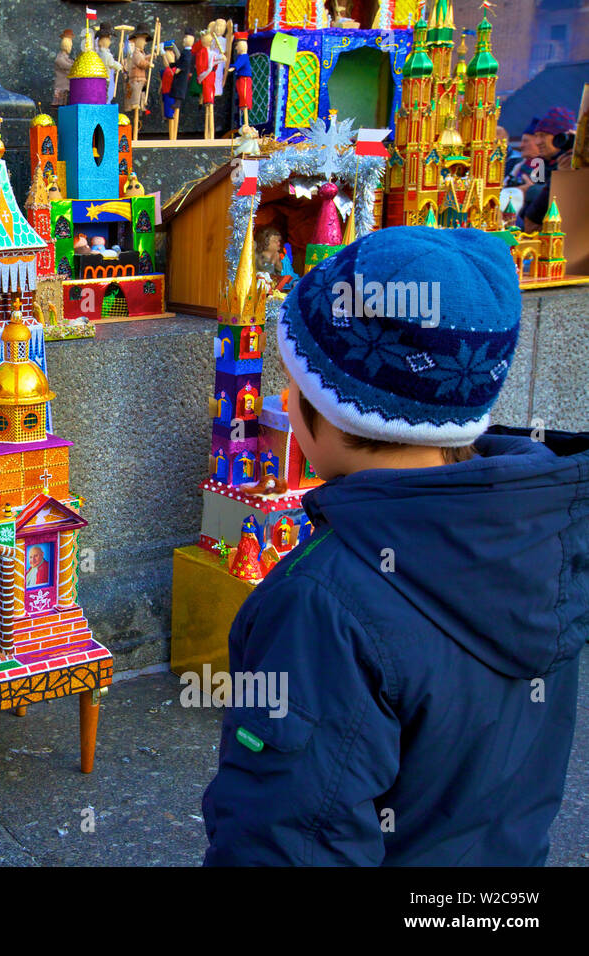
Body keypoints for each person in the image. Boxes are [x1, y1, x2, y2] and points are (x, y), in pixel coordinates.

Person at [202, 226, 589, 865]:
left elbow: (285, 841)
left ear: (334, 410)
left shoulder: (320, 605)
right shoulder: (543, 540)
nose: (282, 399)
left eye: (295, 382)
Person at [52, 29, 74, 107]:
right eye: (70, 45)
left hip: (66, 88)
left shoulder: (66, 58)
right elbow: (69, 66)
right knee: (60, 107)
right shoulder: (60, 58)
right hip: (61, 88)